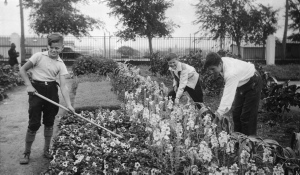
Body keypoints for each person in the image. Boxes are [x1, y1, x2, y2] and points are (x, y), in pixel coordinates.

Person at [19, 33, 75, 164]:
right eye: (52, 47)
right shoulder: (38, 56)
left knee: (49, 122)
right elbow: (22, 70)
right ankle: (26, 152)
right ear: (47, 46)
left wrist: (69, 105)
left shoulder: (61, 64)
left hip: (51, 92)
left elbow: (63, 86)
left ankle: (46, 150)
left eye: (57, 48)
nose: (54, 50)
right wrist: (29, 86)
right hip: (36, 91)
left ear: (62, 48)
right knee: (34, 123)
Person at [204, 52, 263, 136]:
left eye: (213, 69)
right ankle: (238, 139)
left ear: (220, 64)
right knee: (236, 114)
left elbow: (228, 96)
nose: (211, 72)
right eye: (209, 69)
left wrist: (219, 113)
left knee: (247, 117)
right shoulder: (220, 61)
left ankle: (249, 143)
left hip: (253, 82)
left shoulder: (231, 73)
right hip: (242, 82)